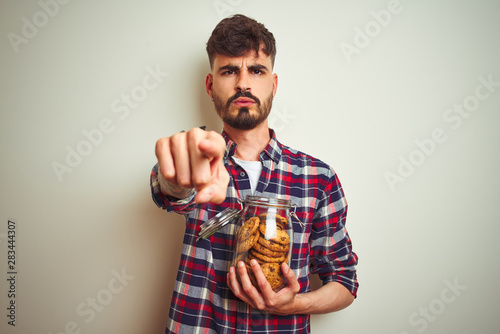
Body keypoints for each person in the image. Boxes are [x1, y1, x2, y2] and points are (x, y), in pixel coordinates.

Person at [150, 14, 358, 333]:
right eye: (229, 70)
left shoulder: (318, 178)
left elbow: (344, 282)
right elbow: (169, 189)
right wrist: (176, 179)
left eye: (256, 70)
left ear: (272, 84)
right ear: (210, 84)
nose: (243, 83)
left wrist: (294, 304)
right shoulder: (197, 156)